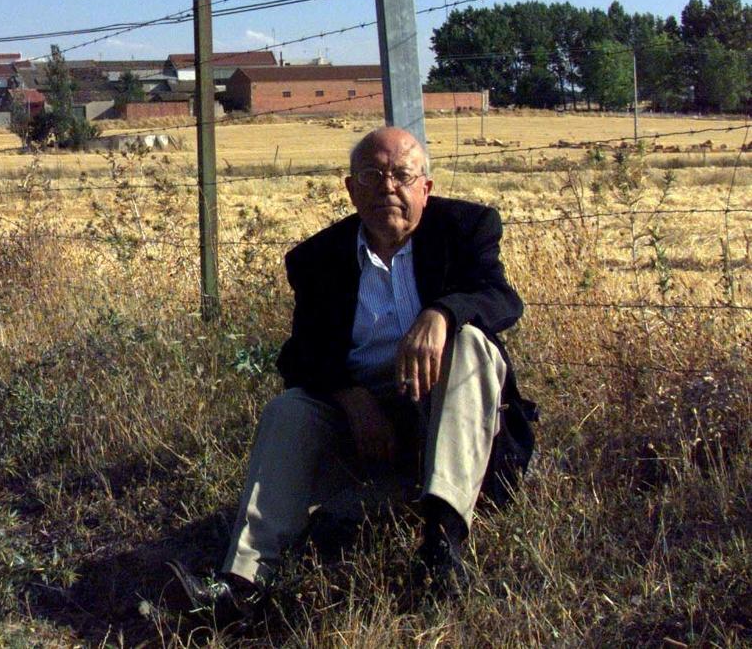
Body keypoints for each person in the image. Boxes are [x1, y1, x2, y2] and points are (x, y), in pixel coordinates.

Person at [173, 126, 528, 616]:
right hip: (365, 432)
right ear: (350, 188)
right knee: (289, 407)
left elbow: (502, 299)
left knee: (470, 343)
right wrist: (352, 398)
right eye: (372, 175)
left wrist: (442, 313)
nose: (388, 187)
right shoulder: (320, 259)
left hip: (449, 420)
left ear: (425, 187)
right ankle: (245, 583)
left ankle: (441, 545)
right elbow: (299, 356)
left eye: (402, 175)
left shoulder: (466, 229)